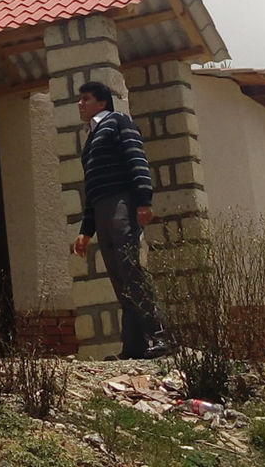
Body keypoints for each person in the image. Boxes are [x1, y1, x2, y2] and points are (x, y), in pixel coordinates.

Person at [69, 80, 164, 360]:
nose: (80, 103)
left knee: (130, 268)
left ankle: (159, 335)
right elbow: (92, 188)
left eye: (86, 98)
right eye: (80, 99)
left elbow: (136, 159)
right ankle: (134, 345)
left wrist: (144, 199)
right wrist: (86, 230)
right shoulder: (90, 142)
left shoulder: (118, 122)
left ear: (101, 102)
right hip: (101, 208)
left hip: (122, 202)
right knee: (119, 278)